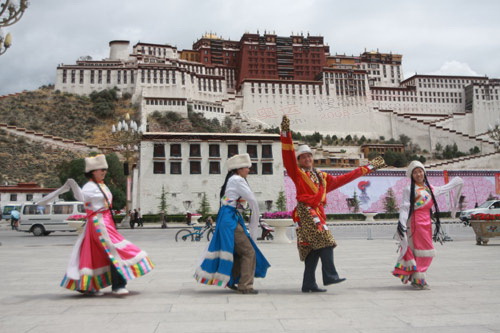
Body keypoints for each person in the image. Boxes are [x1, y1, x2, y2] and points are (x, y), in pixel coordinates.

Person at [280, 115, 386, 293]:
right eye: (303, 157)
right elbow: (287, 154)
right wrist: (285, 133)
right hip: (306, 212)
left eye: (309, 156)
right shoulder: (296, 173)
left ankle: (309, 284)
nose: (307, 159)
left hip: (317, 212)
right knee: (326, 241)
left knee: (313, 250)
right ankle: (330, 276)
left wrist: (369, 168)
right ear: (298, 161)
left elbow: (345, 178)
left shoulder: (322, 177)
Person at [36, 154, 154, 296]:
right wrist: (73, 186)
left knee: (99, 253)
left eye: (105, 169)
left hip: (105, 221)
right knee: (113, 250)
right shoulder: (89, 186)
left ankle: (91, 285)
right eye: (101, 169)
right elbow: (82, 197)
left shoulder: (102, 185)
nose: (104, 172)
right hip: (98, 223)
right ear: (93, 171)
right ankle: (117, 285)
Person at [195, 153, 270, 294]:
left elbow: (235, 200)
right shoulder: (237, 180)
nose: (248, 170)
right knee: (249, 251)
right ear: (239, 169)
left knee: (238, 250)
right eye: (246, 167)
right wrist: (256, 216)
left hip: (228, 217)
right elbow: (252, 199)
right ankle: (245, 285)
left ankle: (232, 279)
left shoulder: (232, 179)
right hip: (230, 219)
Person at [392, 160, 463, 290]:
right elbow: (404, 208)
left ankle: (417, 277)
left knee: (424, 251)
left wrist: (457, 182)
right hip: (416, 223)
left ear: (424, 172)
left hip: (427, 223)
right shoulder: (409, 189)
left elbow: (446, 187)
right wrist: (401, 223)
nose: (418, 174)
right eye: (415, 172)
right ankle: (419, 278)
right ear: (411, 175)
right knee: (426, 251)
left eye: (420, 171)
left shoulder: (430, 189)